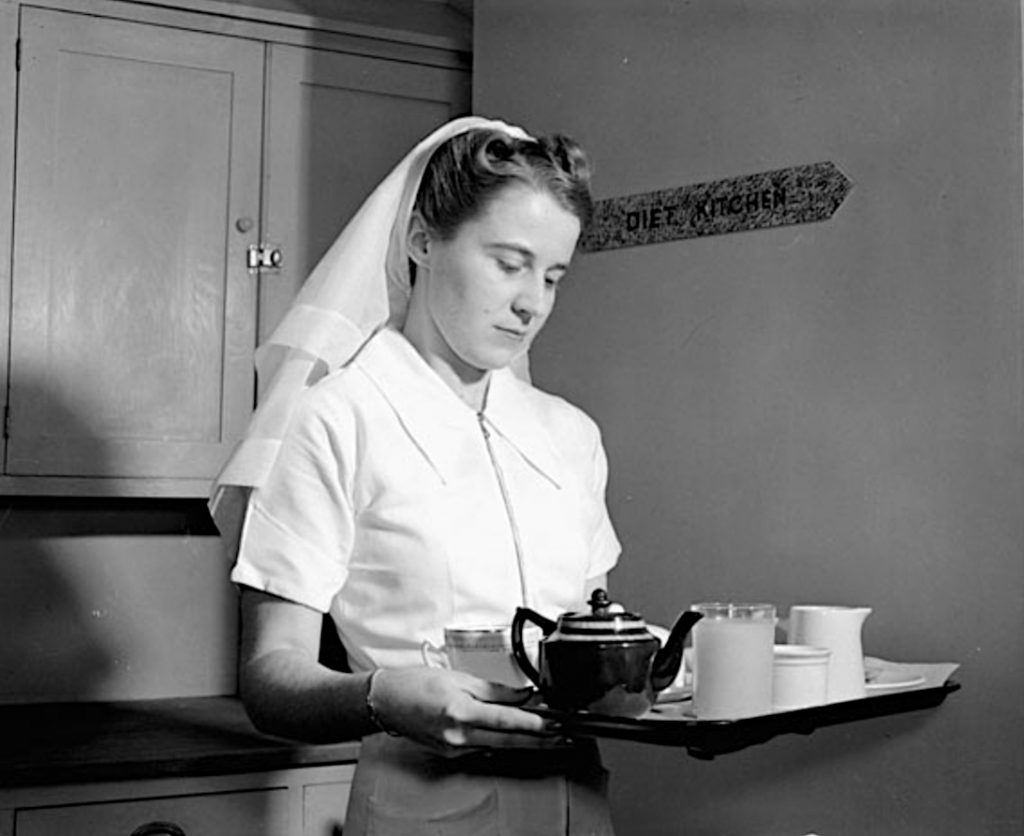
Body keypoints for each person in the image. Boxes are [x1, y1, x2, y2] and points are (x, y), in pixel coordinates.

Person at [210, 116, 621, 835]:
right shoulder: (337, 418)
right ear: (423, 241)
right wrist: (385, 696)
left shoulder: (570, 435)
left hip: (574, 810)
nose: (534, 303)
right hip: (424, 814)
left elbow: (593, 646)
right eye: (509, 262)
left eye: (553, 275)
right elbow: (271, 679)